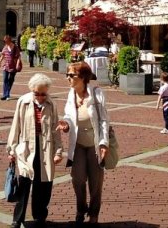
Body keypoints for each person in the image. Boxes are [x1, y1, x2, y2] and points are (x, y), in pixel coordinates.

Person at [7, 73, 63, 228]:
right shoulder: (23, 102)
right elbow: (16, 125)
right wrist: (11, 149)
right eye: (36, 93)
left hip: (45, 147)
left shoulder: (51, 104)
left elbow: (55, 129)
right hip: (26, 147)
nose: (39, 97)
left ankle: (39, 216)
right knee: (24, 183)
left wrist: (58, 151)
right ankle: (17, 219)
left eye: (43, 94)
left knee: (44, 184)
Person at [60, 61, 111, 225]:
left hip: (95, 143)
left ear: (82, 77)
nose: (68, 78)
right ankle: (81, 208)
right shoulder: (71, 93)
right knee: (77, 178)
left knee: (96, 181)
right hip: (79, 143)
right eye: (67, 74)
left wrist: (103, 143)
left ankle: (94, 214)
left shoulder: (96, 93)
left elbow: (103, 120)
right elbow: (68, 114)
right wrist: (66, 124)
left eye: (72, 75)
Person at [0, 35, 22, 102]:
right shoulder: (5, 47)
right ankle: (5, 95)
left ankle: (7, 94)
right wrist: (0, 62)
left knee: (10, 80)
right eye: (5, 42)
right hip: (5, 66)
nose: (6, 43)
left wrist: (17, 64)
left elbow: (19, 57)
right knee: (5, 80)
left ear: (9, 40)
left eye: (6, 42)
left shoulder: (15, 47)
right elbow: (3, 55)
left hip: (13, 66)